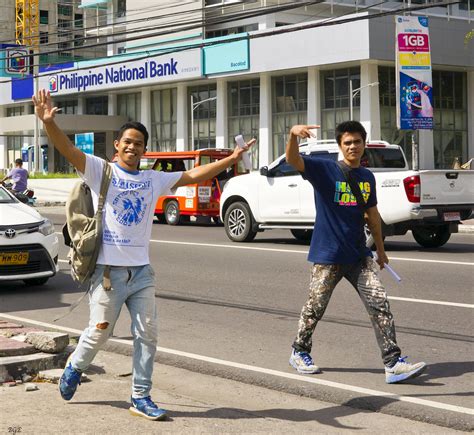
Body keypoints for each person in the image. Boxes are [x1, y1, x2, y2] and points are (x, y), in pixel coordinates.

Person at [32, 89, 255, 421]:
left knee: (147, 335)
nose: (132, 147)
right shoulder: (100, 171)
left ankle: (140, 395)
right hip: (109, 273)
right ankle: (76, 366)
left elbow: (194, 175)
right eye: (127, 141)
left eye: (139, 143)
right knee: (99, 332)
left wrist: (231, 159)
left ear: (144, 149)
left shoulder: (153, 179)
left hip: (142, 274)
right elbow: (67, 149)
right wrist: (49, 124)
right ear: (117, 146)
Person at [286, 121, 426, 384]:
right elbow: (293, 159)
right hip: (328, 255)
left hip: (359, 256)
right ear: (340, 146)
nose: (353, 146)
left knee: (379, 304)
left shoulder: (367, 177)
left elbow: (373, 215)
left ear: (364, 144)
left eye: (357, 142)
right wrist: (293, 134)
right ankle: (299, 351)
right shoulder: (324, 169)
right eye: (347, 142)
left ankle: (393, 362)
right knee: (315, 307)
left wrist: (381, 251)